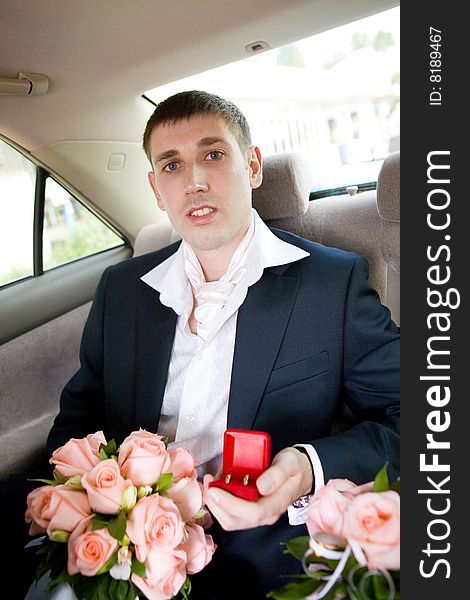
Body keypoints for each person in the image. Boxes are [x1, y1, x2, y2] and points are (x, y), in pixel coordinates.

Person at [8, 90, 400, 599]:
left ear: (252, 165)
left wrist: (306, 466)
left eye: (213, 155)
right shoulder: (122, 289)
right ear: (155, 187)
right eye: (172, 165)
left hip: (258, 545)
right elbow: (75, 427)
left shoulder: (331, 283)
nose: (193, 182)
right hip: (122, 543)